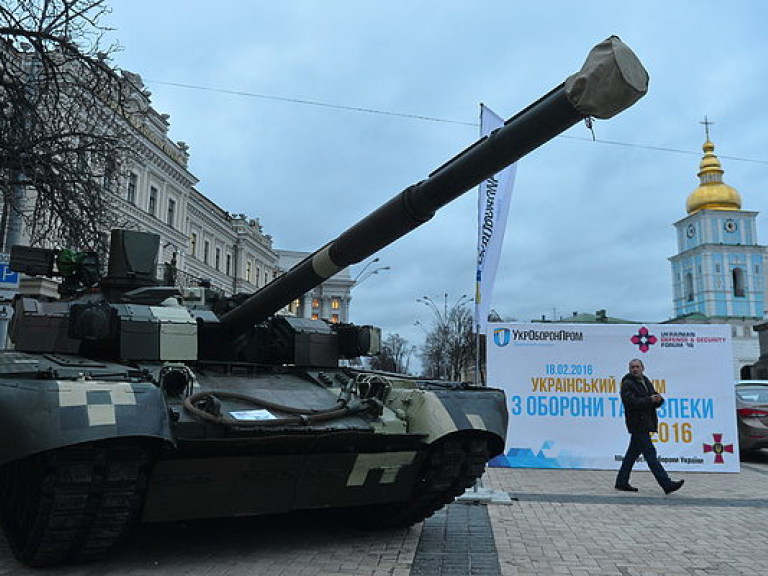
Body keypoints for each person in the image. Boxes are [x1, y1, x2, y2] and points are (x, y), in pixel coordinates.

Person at [615, 358, 684, 494]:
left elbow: (653, 398)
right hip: (637, 423)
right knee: (650, 455)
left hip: (645, 423)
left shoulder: (645, 381)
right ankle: (666, 484)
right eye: (632, 367)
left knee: (631, 454)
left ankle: (621, 482)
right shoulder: (627, 383)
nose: (635, 369)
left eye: (637, 367)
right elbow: (631, 402)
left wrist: (659, 400)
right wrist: (649, 400)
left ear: (642, 368)